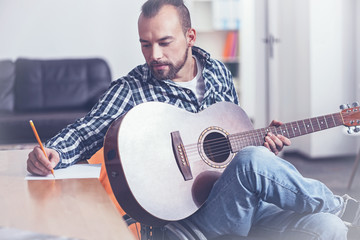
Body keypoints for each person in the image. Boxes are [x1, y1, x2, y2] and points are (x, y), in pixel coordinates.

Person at [27, 0, 359, 239]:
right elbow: (87, 130)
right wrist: (53, 151)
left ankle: (333, 213)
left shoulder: (218, 73)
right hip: (184, 222)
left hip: (239, 207)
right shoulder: (133, 87)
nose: (153, 54)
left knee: (326, 228)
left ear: (190, 37)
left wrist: (262, 145)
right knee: (254, 164)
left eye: (164, 42)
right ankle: (343, 205)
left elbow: (232, 144)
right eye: (145, 44)